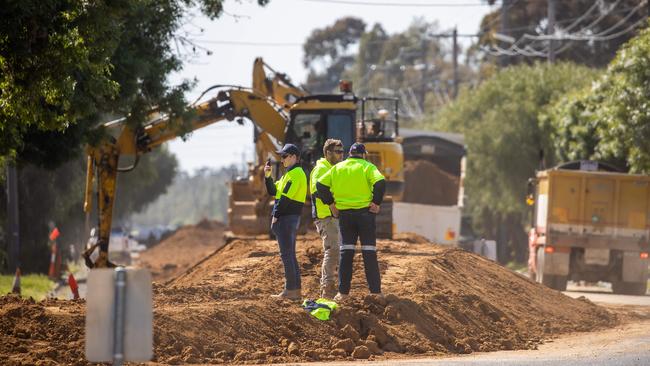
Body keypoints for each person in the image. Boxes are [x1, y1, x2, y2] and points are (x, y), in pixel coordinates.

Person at [316, 142, 386, 301]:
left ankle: (343, 294)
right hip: (365, 215)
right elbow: (380, 182)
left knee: (346, 253)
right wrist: (376, 203)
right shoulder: (367, 167)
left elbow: (320, 185)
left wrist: (332, 205)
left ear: (349, 154)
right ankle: (375, 293)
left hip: (345, 216)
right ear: (363, 154)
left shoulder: (338, 168)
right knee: (369, 252)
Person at [264, 143, 307, 300]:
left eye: (284, 156)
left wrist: (275, 215)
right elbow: (273, 191)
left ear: (294, 157)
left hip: (287, 219)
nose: (281, 160)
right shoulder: (288, 175)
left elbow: (286, 199)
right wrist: (268, 176)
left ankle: (291, 290)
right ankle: (294, 290)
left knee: (287, 255)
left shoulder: (296, 174)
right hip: (288, 218)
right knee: (289, 255)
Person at [310, 139, 345, 298]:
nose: (341, 155)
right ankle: (327, 289)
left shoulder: (334, 168)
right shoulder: (321, 169)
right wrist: (332, 205)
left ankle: (332, 286)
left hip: (333, 216)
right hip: (326, 216)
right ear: (328, 153)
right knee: (332, 251)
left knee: (337, 251)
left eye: (342, 151)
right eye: (338, 151)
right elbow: (318, 191)